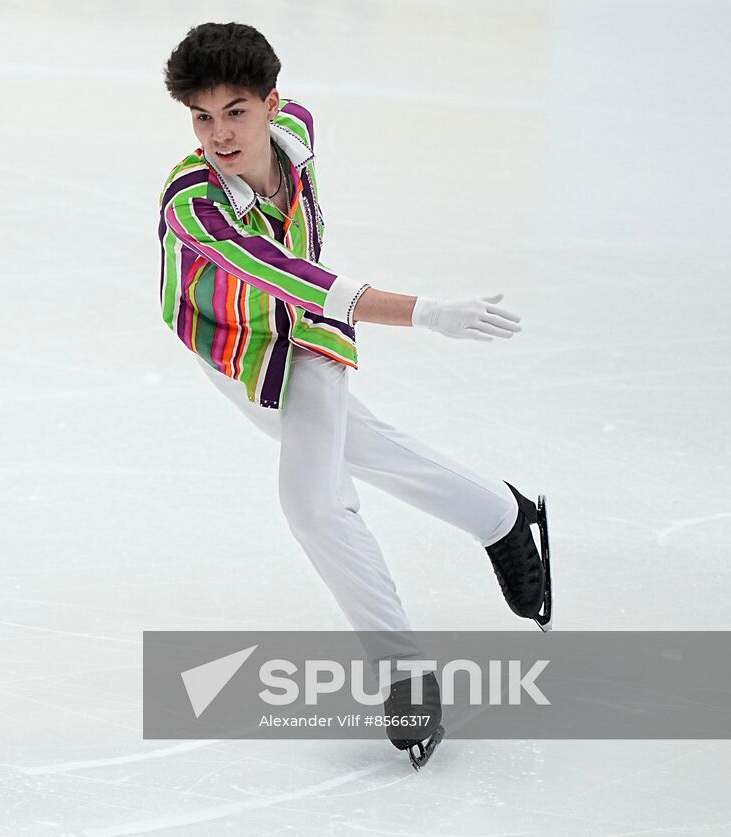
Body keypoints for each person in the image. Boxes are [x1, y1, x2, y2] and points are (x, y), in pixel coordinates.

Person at [158, 22, 552, 768]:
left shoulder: (297, 129)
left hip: (309, 338)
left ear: (271, 104)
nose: (219, 134)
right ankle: (502, 514)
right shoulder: (195, 205)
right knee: (359, 444)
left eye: (236, 111)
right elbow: (292, 274)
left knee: (313, 501)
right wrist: (428, 311)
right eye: (202, 117)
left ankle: (404, 672)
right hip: (234, 346)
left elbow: (310, 295)